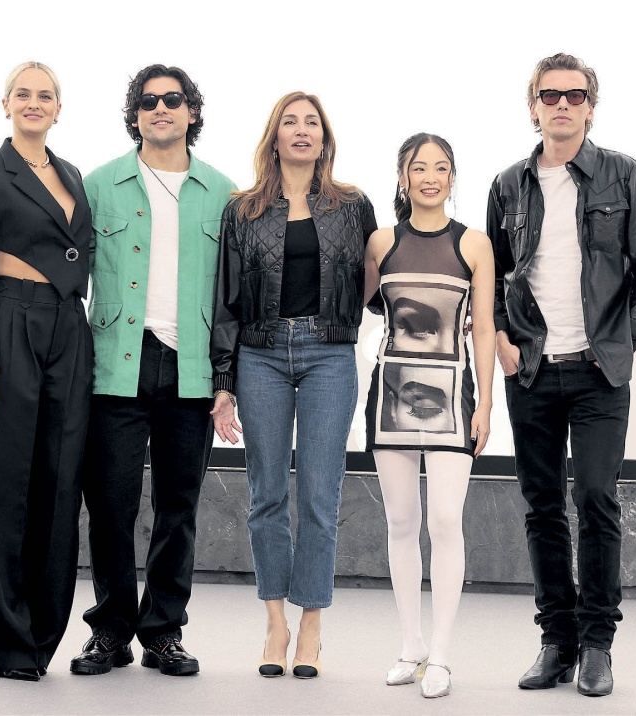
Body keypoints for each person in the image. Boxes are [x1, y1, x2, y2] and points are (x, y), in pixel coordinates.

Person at [487, 53, 636, 697]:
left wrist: (618, 342)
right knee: (541, 505)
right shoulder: (508, 185)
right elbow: (494, 274)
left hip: (598, 372)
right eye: (550, 95)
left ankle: (596, 645)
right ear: (532, 106)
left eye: (575, 94)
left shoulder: (624, 174)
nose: (562, 104)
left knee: (594, 498)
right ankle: (556, 640)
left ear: (592, 106)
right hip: (532, 370)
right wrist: (503, 338)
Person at [70, 65, 235, 678]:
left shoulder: (224, 194)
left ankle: (163, 631)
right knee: (110, 505)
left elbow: (232, 299)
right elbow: (70, 276)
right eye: (147, 101)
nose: (160, 108)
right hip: (117, 363)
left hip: (190, 366)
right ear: (134, 115)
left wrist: (227, 381)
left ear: (191, 110)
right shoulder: (98, 186)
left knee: (178, 506)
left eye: (172, 99)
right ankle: (110, 630)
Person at [210, 91, 377, 680]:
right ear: (274, 136)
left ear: (324, 138)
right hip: (260, 354)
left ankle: (311, 626)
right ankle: (275, 623)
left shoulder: (352, 206)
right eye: (290, 121)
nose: (301, 130)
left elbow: (376, 283)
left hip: (330, 352)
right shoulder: (243, 210)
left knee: (319, 496)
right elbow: (226, 299)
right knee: (267, 496)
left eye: (312, 122)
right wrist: (223, 382)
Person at [0, 61, 92, 681]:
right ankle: (7, 644)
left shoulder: (73, 174)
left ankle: (41, 636)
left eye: (46, 95)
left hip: (68, 330)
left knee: (59, 486)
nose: (35, 103)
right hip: (8, 326)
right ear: (5, 103)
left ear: (59, 109)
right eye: (24, 94)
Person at [362, 133, 495, 698]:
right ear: (403, 177)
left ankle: (440, 654)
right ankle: (411, 645)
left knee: (443, 520)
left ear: (452, 177)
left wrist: (486, 402)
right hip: (391, 394)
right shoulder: (381, 242)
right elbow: (354, 304)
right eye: (420, 168)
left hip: (453, 396)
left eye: (441, 168)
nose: (431, 177)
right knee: (399, 521)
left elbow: (483, 327)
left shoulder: (474, 245)